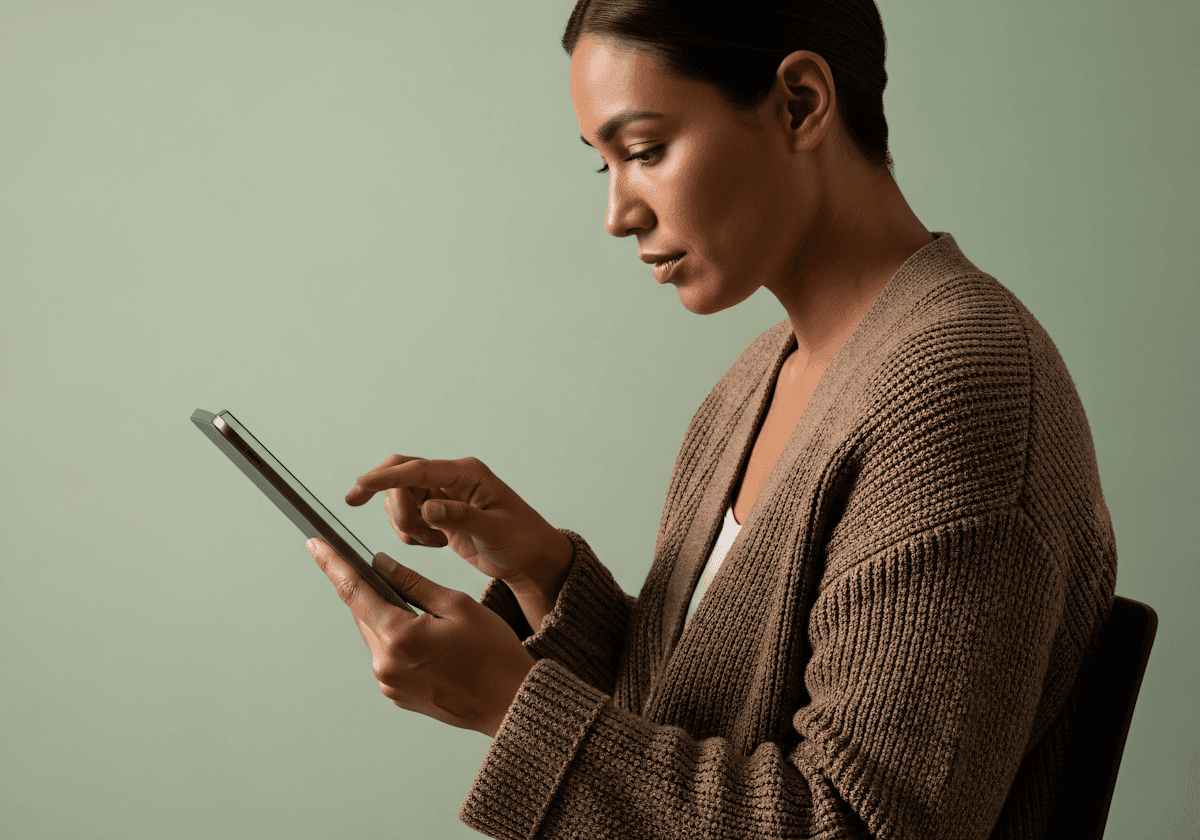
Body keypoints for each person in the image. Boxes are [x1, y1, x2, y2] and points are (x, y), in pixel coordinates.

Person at [305, 1, 1118, 837]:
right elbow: (699, 726)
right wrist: (545, 579)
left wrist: (508, 703)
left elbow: (858, 824)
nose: (619, 212)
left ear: (799, 103)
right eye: (604, 166)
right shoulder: (755, 379)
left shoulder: (958, 385)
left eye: (646, 151)